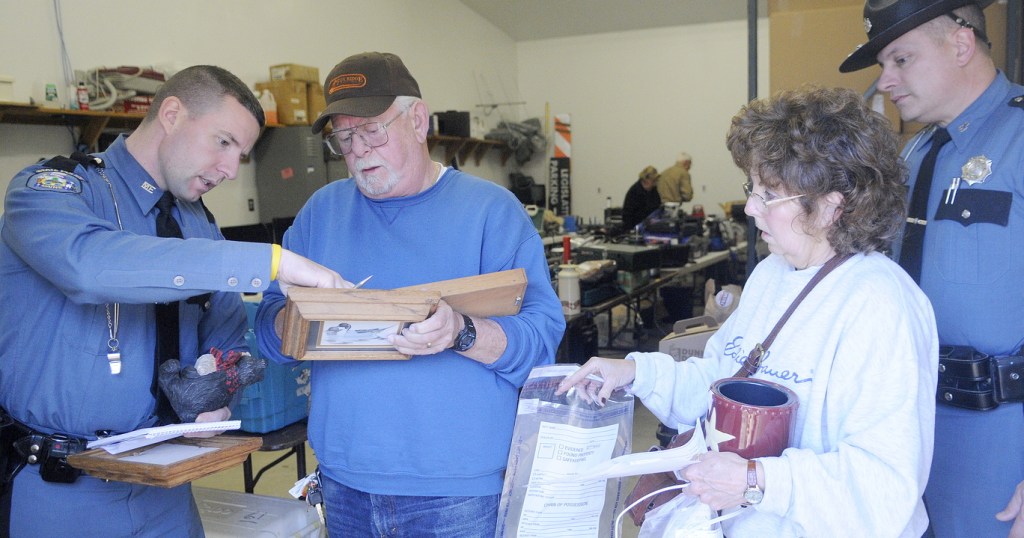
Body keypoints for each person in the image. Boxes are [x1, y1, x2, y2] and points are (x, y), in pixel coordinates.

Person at [558, 86, 938, 537]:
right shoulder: (772, 275)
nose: (752, 208)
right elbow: (721, 379)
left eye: (770, 193)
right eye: (752, 188)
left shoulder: (881, 305)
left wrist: (756, 481)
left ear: (834, 203)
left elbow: (887, 488)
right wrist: (635, 372)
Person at [0, 65, 344, 537]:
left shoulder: (198, 223)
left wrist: (218, 388)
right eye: (223, 142)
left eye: (240, 154)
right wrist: (271, 262)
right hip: (63, 493)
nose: (229, 169)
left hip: (165, 488)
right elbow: (85, 266)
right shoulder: (54, 191)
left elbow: (223, 333)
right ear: (172, 113)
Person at [253, 51, 565, 537]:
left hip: (459, 492)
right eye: (344, 136)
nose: (357, 149)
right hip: (344, 482)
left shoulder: (492, 213)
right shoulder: (320, 213)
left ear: (417, 121)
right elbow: (268, 334)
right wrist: (297, 318)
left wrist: (460, 333)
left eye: (371, 130)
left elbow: (541, 346)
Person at [838, 1, 1024, 535]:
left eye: (900, 59)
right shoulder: (914, 154)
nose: (885, 80)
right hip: (907, 432)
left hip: (999, 444)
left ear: (961, 43)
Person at [622, 165, 662, 230]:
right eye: (654, 180)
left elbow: (657, 206)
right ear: (647, 180)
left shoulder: (654, 190)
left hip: (649, 225)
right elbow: (628, 216)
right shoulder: (635, 192)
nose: (656, 183)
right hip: (635, 226)